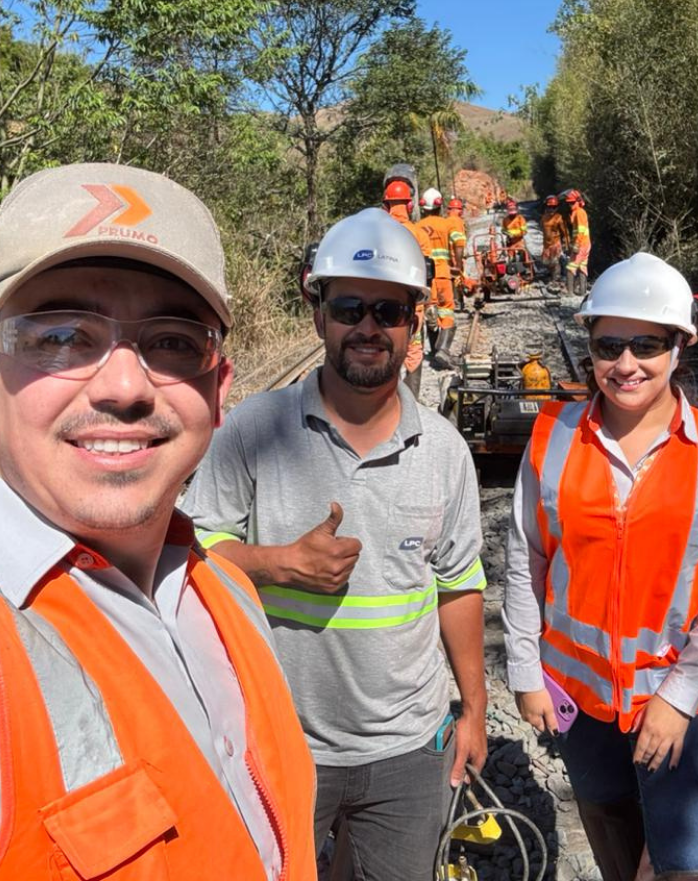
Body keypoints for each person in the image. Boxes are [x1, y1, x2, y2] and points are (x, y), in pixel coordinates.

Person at [0, 163, 316, 879]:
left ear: (218, 390)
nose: (123, 387)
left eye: (173, 341)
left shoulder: (226, 592)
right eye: (60, 336)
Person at [183, 208, 488, 881]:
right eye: (350, 307)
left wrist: (475, 709)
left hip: (407, 751)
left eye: (389, 310)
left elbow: (459, 584)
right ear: (317, 310)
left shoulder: (442, 450)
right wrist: (277, 563)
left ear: (414, 323)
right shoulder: (256, 432)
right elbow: (188, 552)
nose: (369, 328)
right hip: (276, 738)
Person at [502, 252, 698, 881]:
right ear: (589, 345)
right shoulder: (553, 435)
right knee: (612, 828)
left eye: (645, 344)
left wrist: (678, 699)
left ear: (679, 347)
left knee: (690, 864)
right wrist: (524, 669)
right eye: (608, 344)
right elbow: (525, 556)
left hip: (681, 695)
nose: (625, 364)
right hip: (580, 697)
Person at [382, 178, 430, 397]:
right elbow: (429, 272)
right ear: (410, 205)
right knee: (413, 350)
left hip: (381, 305)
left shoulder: (378, 232)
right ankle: (412, 402)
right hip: (412, 305)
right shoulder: (418, 233)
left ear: (386, 205)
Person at [417, 187, 456, 369]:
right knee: (446, 310)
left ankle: (433, 351)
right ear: (440, 206)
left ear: (423, 207)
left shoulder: (416, 227)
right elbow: (457, 246)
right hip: (443, 274)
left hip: (425, 277)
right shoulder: (446, 224)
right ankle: (443, 349)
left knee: (430, 312)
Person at [540, 194, 570, 290]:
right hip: (546, 244)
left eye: (553, 207)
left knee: (555, 262)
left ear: (557, 207)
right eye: (549, 207)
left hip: (555, 243)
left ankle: (556, 279)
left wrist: (566, 243)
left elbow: (564, 232)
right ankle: (552, 276)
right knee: (546, 262)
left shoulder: (558, 218)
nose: (551, 209)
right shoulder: (544, 218)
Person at [445, 197, 468, 312]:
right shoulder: (457, 221)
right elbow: (459, 242)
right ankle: (458, 302)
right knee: (457, 277)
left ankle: (455, 301)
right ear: (459, 210)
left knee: (450, 279)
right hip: (455, 256)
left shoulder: (447, 220)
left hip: (447, 257)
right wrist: (458, 263)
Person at [566, 189, 591, 294]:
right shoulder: (579, 212)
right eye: (569, 203)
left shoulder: (579, 213)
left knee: (570, 268)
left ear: (577, 201)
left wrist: (576, 244)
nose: (570, 205)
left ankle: (570, 293)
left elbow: (580, 231)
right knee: (582, 266)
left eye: (572, 203)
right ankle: (582, 291)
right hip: (585, 244)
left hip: (581, 244)